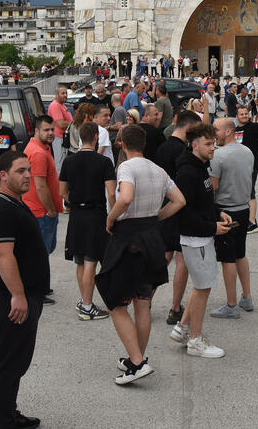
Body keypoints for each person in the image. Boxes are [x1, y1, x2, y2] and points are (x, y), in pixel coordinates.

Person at [97, 125, 186, 384]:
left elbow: (125, 198)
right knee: (142, 303)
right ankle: (137, 357)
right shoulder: (158, 169)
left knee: (115, 302)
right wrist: (156, 217)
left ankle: (136, 362)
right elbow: (179, 200)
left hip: (129, 238)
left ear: (123, 144)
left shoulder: (126, 167)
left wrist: (111, 218)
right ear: (144, 144)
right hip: (152, 237)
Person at [0, 152, 46, 429]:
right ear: (3, 176)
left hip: (17, 297)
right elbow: (3, 255)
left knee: (10, 363)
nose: (27, 175)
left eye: (28, 169)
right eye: (20, 171)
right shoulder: (1, 209)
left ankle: (8, 414)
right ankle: (3, 422)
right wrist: (18, 296)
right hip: (7, 300)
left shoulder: (13, 203)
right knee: (8, 366)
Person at [170, 124, 232, 358]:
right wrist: (212, 228)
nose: (213, 147)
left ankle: (182, 327)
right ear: (194, 145)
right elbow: (184, 213)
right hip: (196, 239)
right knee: (203, 287)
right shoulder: (188, 172)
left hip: (201, 237)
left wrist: (218, 213)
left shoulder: (200, 166)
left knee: (200, 285)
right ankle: (195, 341)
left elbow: (202, 202)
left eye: (213, 143)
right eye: (208, 144)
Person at [59, 121, 115, 320]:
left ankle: (85, 300)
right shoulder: (104, 162)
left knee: (80, 260)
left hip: (76, 214)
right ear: (96, 137)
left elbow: (62, 192)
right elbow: (111, 193)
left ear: (80, 138)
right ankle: (87, 306)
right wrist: (114, 215)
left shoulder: (69, 161)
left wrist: (74, 201)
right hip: (95, 213)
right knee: (91, 259)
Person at [154, 110, 200, 326]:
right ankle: (174, 308)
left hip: (163, 205)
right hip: (179, 208)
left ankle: (146, 301)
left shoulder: (162, 148)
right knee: (181, 259)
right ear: (188, 128)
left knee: (163, 257)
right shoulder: (183, 152)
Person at [208, 118, 256, 319]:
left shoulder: (218, 156)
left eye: (216, 130)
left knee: (227, 258)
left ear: (228, 131)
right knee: (240, 254)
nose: (213, 134)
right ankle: (247, 297)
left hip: (226, 211)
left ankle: (231, 304)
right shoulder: (247, 152)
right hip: (243, 208)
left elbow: (212, 188)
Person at [22, 114, 65, 306]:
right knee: (38, 254)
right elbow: (40, 186)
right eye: (46, 130)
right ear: (36, 130)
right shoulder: (39, 153)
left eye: (52, 129)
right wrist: (51, 211)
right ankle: (35, 292)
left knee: (41, 252)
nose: (50, 133)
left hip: (38, 211)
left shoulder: (39, 147)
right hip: (40, 212)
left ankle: (40, 286)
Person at [48, 86, 73, 165]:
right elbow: (61, 124)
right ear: (56, 94)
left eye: (66, 93)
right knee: (60, 163)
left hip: (64, 139)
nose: (65, 95)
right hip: (59, 139)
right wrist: (74, 124)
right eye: (62, 93)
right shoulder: (55, 105)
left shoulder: (62, 105)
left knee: (64, 162)